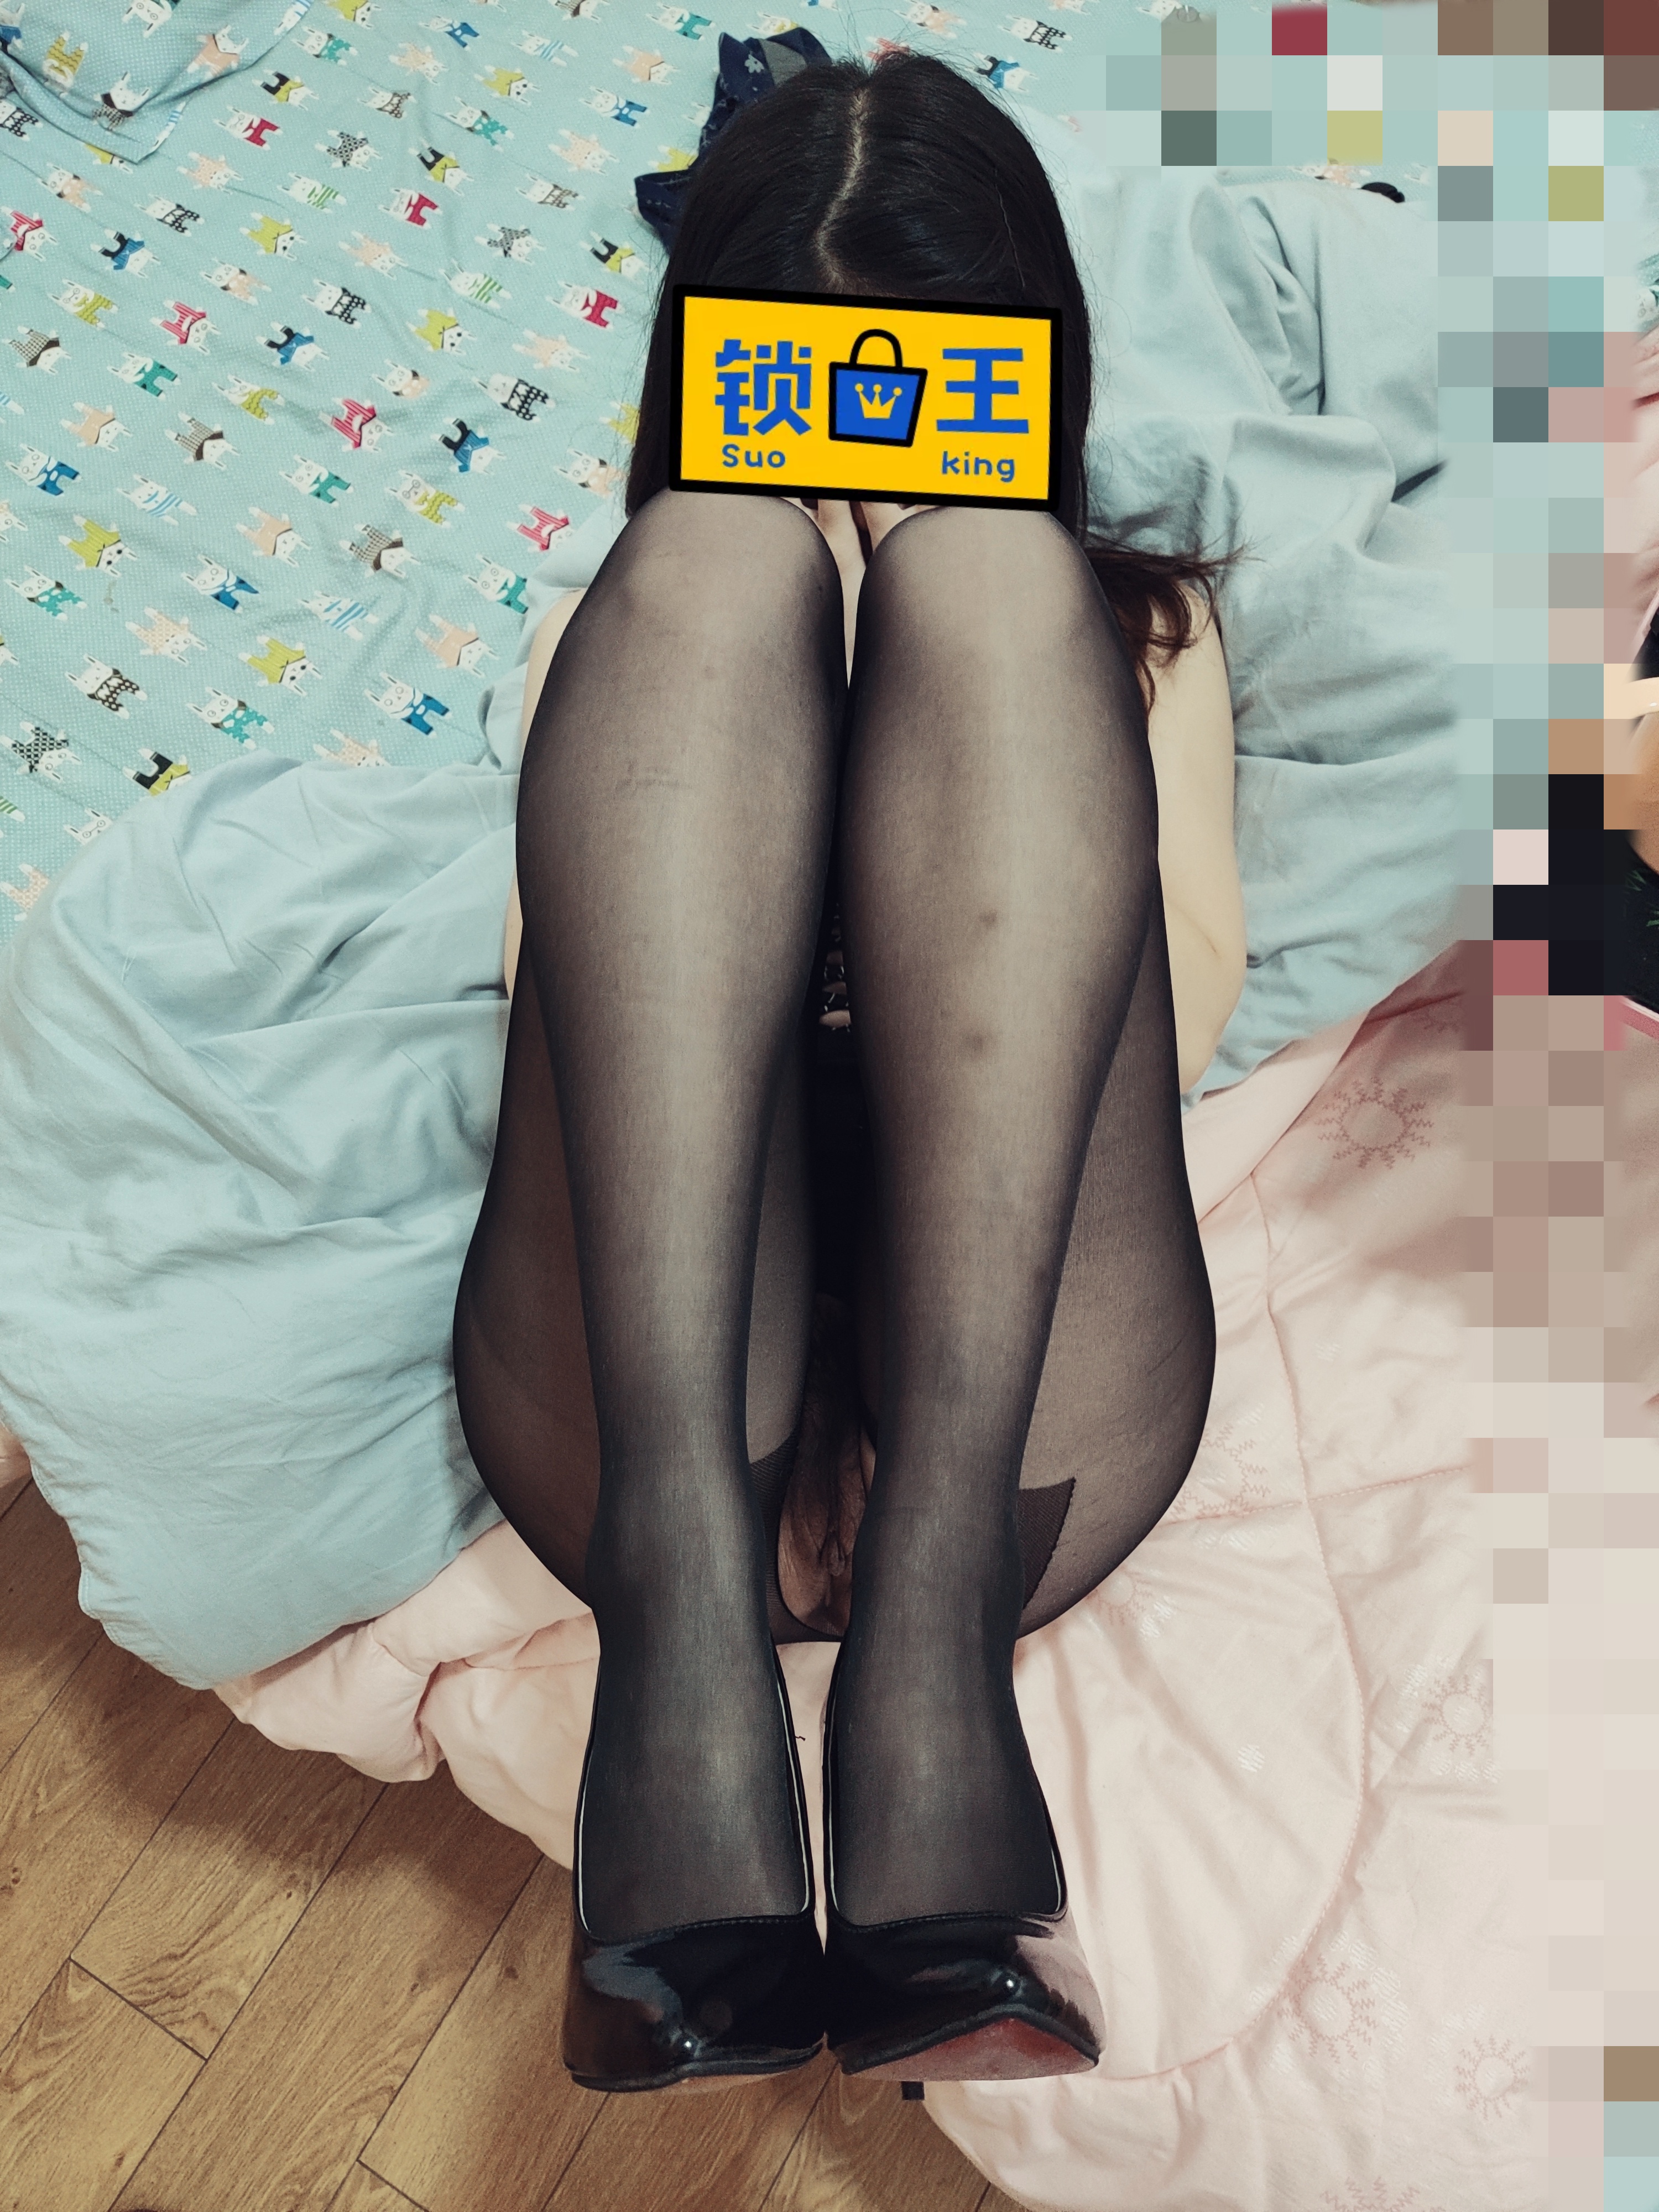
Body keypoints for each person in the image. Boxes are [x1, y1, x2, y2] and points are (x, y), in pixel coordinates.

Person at [449, 52, 1244, 2093]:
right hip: (659, 1424)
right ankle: (679, 1675)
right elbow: (556, 1009)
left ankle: (930, 1684)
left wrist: (947, 650)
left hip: (1009, 1426)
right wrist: (766, 627)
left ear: (1021, 377)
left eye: (920, 391)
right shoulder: (635, 620)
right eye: (794, 388)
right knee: (708, 585)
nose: (856, 435)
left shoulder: (1130, 626)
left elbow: (1187, 1007)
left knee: (1002, 597)